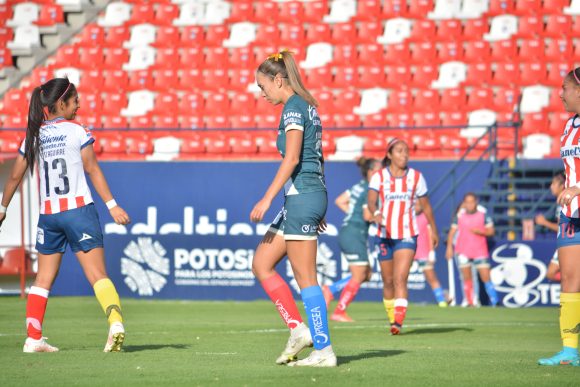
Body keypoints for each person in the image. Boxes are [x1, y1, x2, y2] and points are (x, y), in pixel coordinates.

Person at [0, 78, 130, 353]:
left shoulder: (33, 135)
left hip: (49, 216)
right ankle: (115, 322)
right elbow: (92, 168)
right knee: (97, 273)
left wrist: (2, 208)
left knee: (43, 279)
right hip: (79, 211)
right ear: (61, 103)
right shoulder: (76, 131)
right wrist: (112, 205)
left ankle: (33, 338)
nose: (79, 104)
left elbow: (14, 175)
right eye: (76, 100)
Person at [249, 50, 336, 367]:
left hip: (300, 197)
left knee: (306, 277)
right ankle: (299, 329)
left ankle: (324, 351)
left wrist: (266, 197)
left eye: (263, 86)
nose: (262, 93)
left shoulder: (293, 109)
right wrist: (319, 203)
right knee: (262, 262)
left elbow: (294, 158)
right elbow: (318, 158)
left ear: (278, 79)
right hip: (304, 197)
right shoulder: (307, 107)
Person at [367, 138, 439, 335]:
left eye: (406, 151)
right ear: (389, 155)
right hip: (383, 234)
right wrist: (376, 214)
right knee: (388, 280)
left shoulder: (416, 177)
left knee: (400, 278)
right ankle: (392, 317)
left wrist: (433, 229)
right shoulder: (379, 177)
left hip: (407, 234)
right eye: (399, 151)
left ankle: (397, 322)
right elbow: (372, 202)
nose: (404, 155)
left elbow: (426, 206)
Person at [538, 68, 580, 367]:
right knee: (569, 279)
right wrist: (569, 188)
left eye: (565, 87)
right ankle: (570, 351)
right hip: (571, 215)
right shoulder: (568, 126)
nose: (560, 93)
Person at [322, 157, 381, 322]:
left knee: (366, 274)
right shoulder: (370, 190)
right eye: (378, 169)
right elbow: (367, 215)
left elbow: (340, 201)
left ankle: (330, 290)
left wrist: (353, 214)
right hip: (354, 234)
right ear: (370, 172)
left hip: (352, 231)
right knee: (359, 274)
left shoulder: (359, 186)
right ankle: (339, 311)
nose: (382, 172)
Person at [445, 193, 498, 307]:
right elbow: (452, 232)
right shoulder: (459, 216)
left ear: (476, 202)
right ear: (464, 203)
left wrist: (481, 232)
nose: (470, 204)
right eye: (467, 202)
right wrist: (449, 247)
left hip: (479, 251)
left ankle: (495, 301)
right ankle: (470, 302)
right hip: (463, 251)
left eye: (472, 202)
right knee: (467, 278)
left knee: (486, 277)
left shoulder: (483, 214)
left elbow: (491, 231)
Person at [414, 201, 449, 307]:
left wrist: (431, 251)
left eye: (419, 205)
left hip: (423, 253)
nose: (417, 207)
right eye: (415, 205)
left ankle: (441, 300)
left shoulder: (426, 218)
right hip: (409, 252)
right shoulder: (407, 217)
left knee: (431, 278)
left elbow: (430, 235)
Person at [535, 172, 565, 283]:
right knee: (552, 274)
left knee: (552, 273)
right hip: (564, 243)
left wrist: (544, 222)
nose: (551, 187)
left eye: (553, 184)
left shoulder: (566, 203)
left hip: (570, 243)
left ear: (562, 186)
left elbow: (564, 229)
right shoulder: (560, 203)